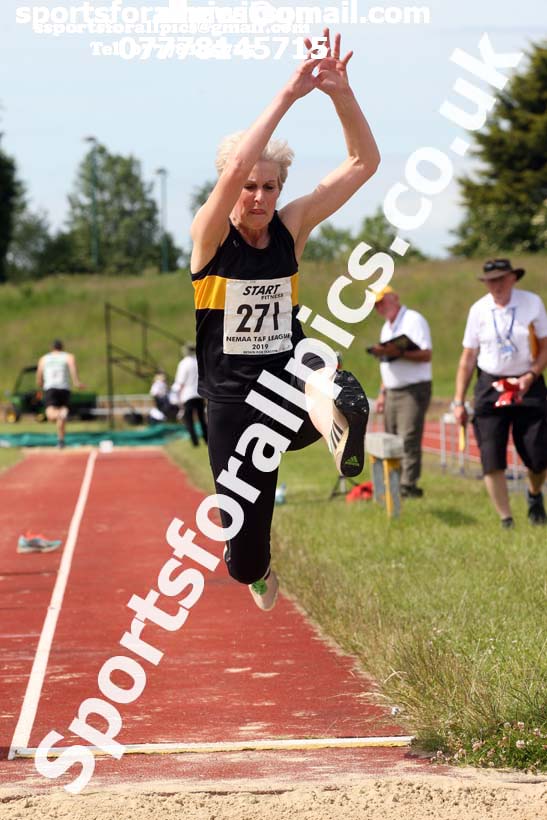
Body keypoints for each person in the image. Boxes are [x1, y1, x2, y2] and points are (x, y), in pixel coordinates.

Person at [190, 30, 380, 611]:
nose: (259, 196)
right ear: (232, 188)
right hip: (230, 401)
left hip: (288, 376)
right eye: (249, 186)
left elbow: (363, 162)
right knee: (245, 557)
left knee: (327, 379)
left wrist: (340, 93)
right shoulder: (210, 237)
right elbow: (238, 166)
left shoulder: (292, 228)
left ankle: (333, 412)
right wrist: (290, 93)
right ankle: (257, 566)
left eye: (270, 187)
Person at [453, 259, 547, 528]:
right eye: (490, 280)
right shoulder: (479, 310)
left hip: (528, 383)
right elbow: (468, 357)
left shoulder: (532, 303)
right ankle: (506, 518)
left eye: (501, 279)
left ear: (513, 278)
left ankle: (534, 494)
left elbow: (544, 347)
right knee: (491, 456)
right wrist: (458, 401)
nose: (496, 285)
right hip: (490, 385)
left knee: (539, 455)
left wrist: (531, 376)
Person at [370, 286, 432, 498]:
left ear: (394, 298)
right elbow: (386, 365)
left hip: (413, 388)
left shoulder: (413, 320)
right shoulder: (387, 327)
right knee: (392, 438)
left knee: (408, 437)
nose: (380, 307)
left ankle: (408, 485)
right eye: (376, 305)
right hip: (392, 390)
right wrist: (381, 393)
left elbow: (426, 354)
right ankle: (395, 482)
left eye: (382, 301)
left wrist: (399, 352)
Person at [36, 339, 83, 448]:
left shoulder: (44, 358)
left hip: (51, 388)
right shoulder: (68, 356)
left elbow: (39, 374)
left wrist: (40, 383)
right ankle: (61, 440)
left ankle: (60, 416)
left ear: (52, 348)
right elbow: (73, 368)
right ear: (62, 347)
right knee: (61, 416)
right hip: (64, 389)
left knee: (50, 415)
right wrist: (76, 382)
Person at [174, 343, 208, 446]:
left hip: (187, 395)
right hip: (199, 393)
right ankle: (206, 440)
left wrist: (178, 398)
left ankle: (194, 442)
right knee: (202, 419)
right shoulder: (199, 361)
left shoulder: (183, 363)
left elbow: (180, 382)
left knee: (189, 420)